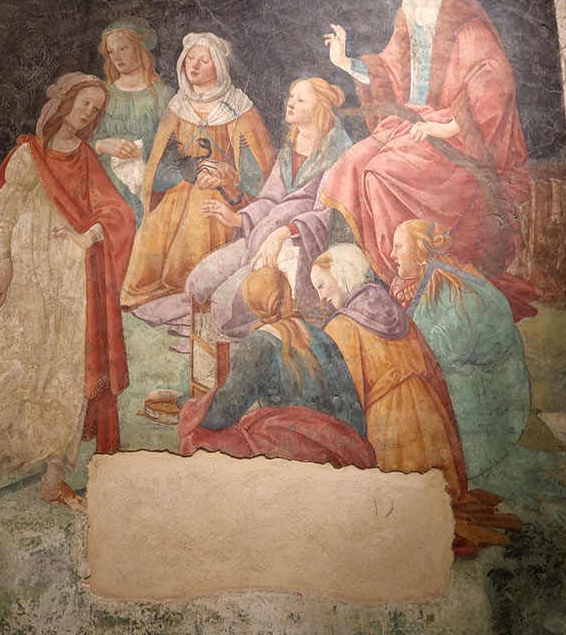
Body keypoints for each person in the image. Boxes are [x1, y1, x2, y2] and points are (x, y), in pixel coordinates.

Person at [0, 73, 135, 512]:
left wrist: (87, 236)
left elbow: (118, 213)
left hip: (71, 285)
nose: (89, 113)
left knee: (65, 377)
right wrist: (4, 266)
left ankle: (53, 480)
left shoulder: (86, 159)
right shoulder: (27, 155)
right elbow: (0, 216)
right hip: (25, 281)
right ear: (64, 103)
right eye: (84, 103)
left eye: (96, 108)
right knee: (7, 370)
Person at [321, 0, 532, 317]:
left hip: (457, 133)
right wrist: (346, 62)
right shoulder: (408, 14)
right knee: (349, 166)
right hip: (410, 120)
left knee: (379, 175)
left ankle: (409, 278)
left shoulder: (461, 18)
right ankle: (383, 276)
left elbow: (494, 79)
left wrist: (448, 125)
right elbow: (390, 70)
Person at [311, 244, 521, 556]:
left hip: (391, 427)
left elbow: (345, 400)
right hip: (429, 415)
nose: (321, 297)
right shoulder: (391, 309)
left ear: (340, 275)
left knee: (402, 520)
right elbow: (430, 367)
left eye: (321, 285)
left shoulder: (341, 326)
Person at [185, 77, 353, 339]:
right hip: (260, 238)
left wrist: (280, 235)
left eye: (301, 100)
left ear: (320, 108)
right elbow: (271, 198)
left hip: (297, 250)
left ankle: (260, 336)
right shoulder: (293, 143)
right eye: (292, 96)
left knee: (222, 311)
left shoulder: (339, 153)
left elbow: (324, 217)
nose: (291, 103)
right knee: (197, 284)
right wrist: (237, 220)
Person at [120, 32, 276, 315]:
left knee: (202, 208)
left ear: (219, 66)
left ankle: (194, 295)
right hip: (179, 190)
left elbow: (260, 174)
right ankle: (162, 292)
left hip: (226, 195)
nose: (194, 66)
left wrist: (229, 176)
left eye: (204, 60)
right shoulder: (178, 107)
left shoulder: (239, 107)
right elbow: (160, 166)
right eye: (190, 58)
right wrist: (185, 170)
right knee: (156, 226)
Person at [177, 268, 374, 469]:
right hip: (345, 449)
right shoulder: (323, 337)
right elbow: (353, 411)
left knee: (201, 436)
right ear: (289, 295)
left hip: (294, 452)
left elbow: (223, 413)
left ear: (253, 306)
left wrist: (183, 402)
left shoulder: (258, 344)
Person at [390, 219, 531, 479]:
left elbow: (444, 352)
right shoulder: (434, 280)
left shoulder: (457, 288)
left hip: (487, 393)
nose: (392, 254)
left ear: (420, 250)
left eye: (399, 246)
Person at [91, 18, 174, 225]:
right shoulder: (102, 93)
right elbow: (81, 143)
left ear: (140, 48)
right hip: (104, 181)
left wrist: (140, 147)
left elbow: (173, 145)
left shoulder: (163, 95)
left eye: (123, 49)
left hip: (149, 179)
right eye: (111, 52)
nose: (117, 57)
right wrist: (104, 145)